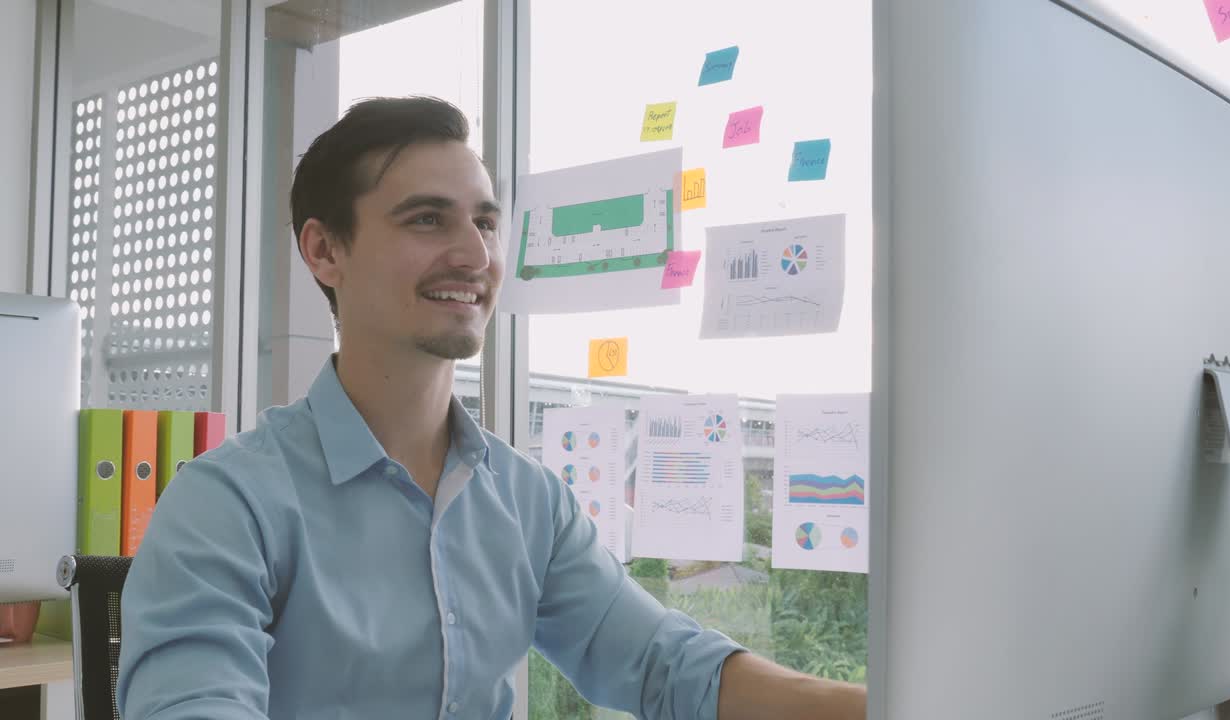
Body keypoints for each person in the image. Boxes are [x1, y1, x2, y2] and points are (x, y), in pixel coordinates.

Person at [117, 95, 867, 720]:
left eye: (484, 222)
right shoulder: (226, 506)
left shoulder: (528, 501)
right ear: (324, 251)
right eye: (426, 220)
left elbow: (668, 667)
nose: (476, 257)